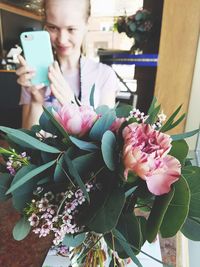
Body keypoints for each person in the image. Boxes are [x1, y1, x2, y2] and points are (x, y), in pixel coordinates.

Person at [16, 0, 119, 130]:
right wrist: (36, 101)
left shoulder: (104, 75)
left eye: (71, 29)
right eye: (53, 28)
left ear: (87, 24)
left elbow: (106, 142)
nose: (62, 39)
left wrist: (71, 104)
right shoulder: (33, 72)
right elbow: (27, 140)